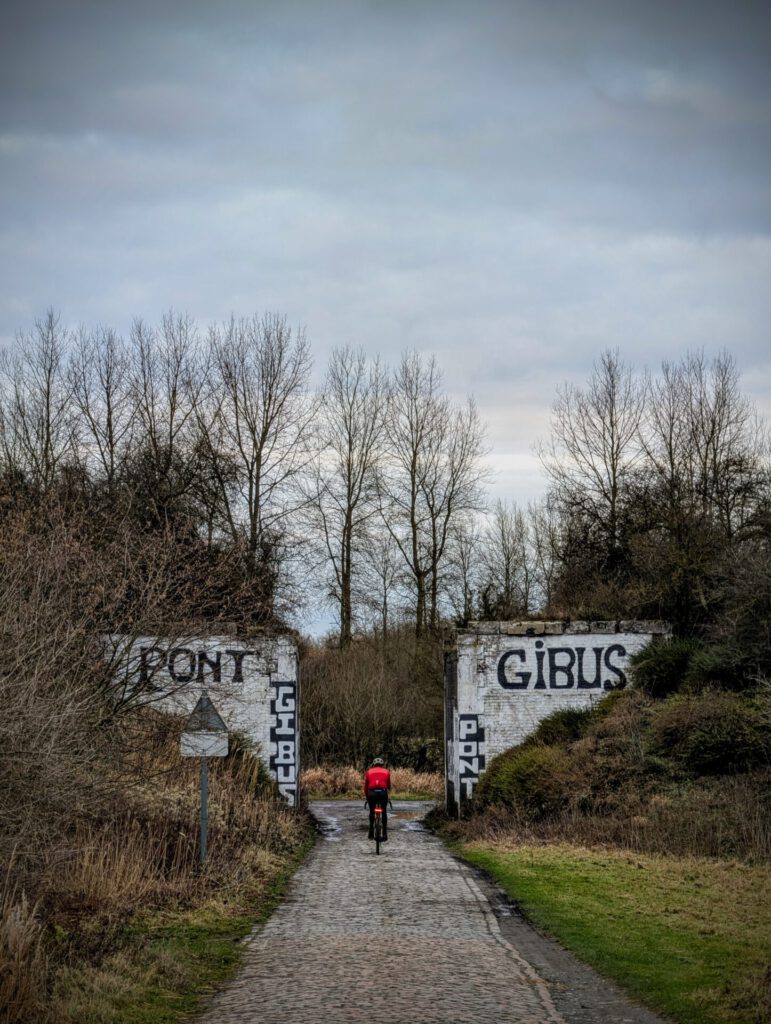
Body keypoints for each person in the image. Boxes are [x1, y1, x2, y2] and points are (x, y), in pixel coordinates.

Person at [363, 757, 391, 841]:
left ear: (373, 764)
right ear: (382, 765)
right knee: (384, 811)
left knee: (372, 811)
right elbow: (388, 786)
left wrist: (367, 796)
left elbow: (366, 786)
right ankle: (385, 834)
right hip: (382, 793)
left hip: (372, 793)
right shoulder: (387, 771)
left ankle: (371, 831)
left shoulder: (369, 772)